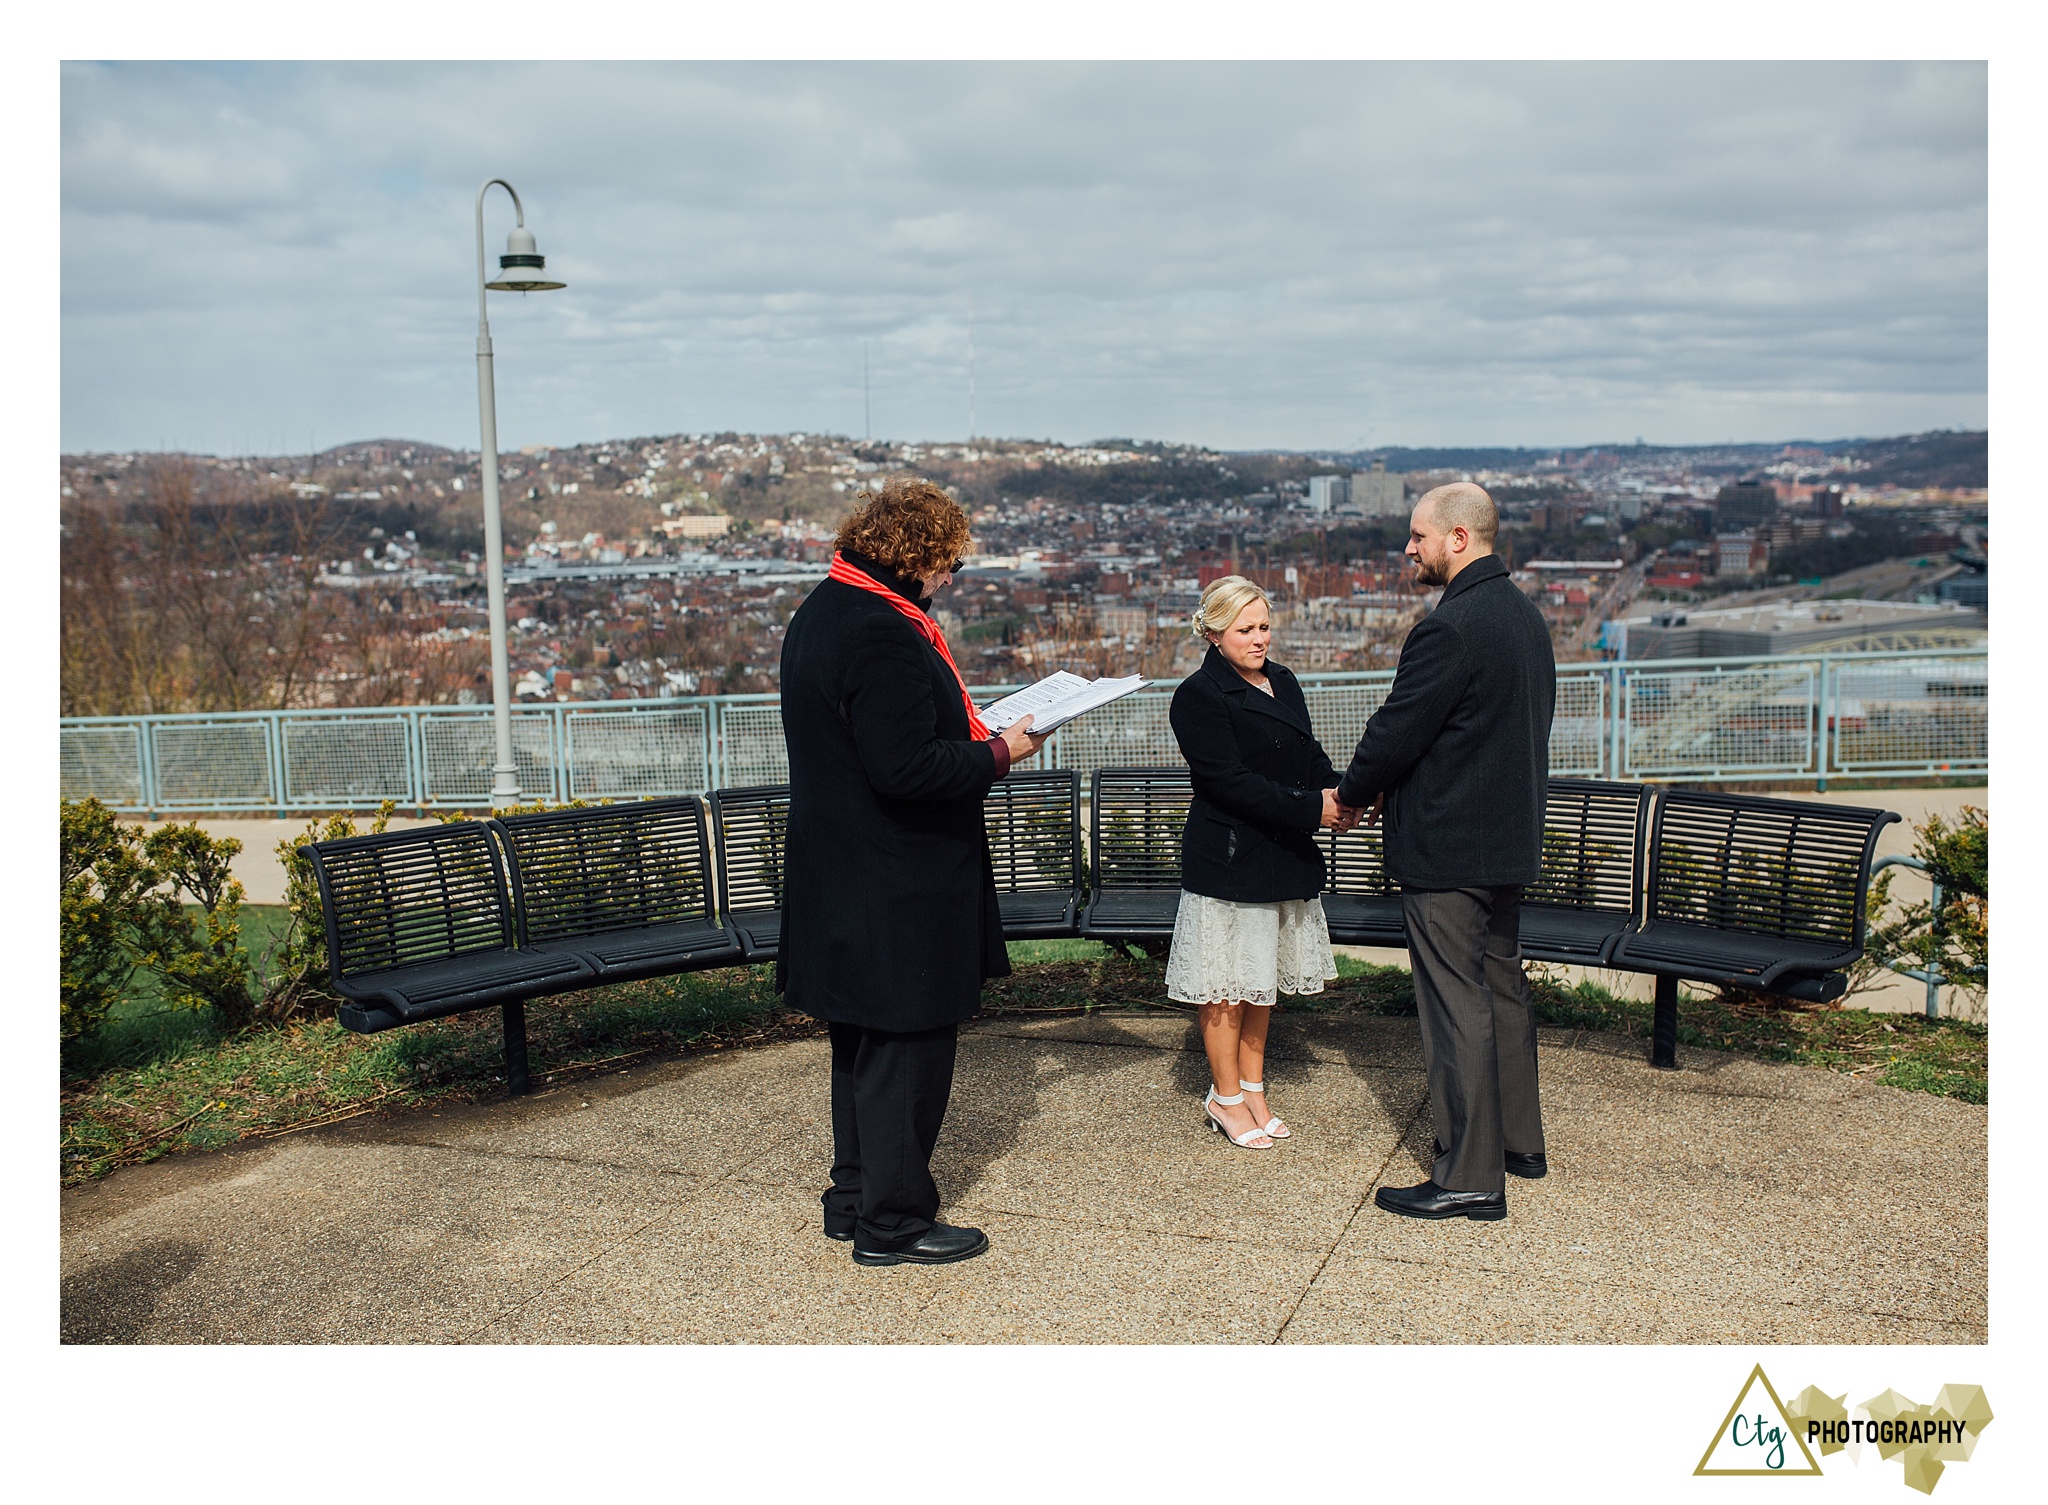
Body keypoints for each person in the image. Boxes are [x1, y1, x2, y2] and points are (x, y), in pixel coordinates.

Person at [778, 477, 1049, 1266]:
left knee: (860, 1047)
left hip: (841, 871)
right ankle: (893, 1224)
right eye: (951, 564)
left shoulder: (824, 608)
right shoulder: (886, 632)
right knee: (907, 1051)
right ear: (921, 556)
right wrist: (1000, 751)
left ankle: (853, 1197)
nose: (951, 580)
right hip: (896, 882)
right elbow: (905, 768)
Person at [1333, 483, 1555, 1222]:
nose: (1409, 549)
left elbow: (1399, 728)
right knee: (1501, 990)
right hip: (1507, 841)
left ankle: (1467, 1172)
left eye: (1418, 537)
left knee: (1456, 1005)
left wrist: (1354, 792)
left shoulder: (1450, 627)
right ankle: (1518, 1145)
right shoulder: (1527, 618)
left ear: (1459, 538)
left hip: (1448, 848)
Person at [1166, 575, 1356, 1149]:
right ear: (1214, 633)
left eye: (1264, 627)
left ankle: (1253, 1089)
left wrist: (1340, 794)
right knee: (1225, 985)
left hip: (1281, 851)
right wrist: (1312, 809)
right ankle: (1225, 1098)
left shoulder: (1284, 681)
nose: (1258, 639)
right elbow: (1230, 785)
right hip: (1230, 858)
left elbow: (1309, 757)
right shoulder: (1197, 696)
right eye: (1244, 629)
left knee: (1259, 983)